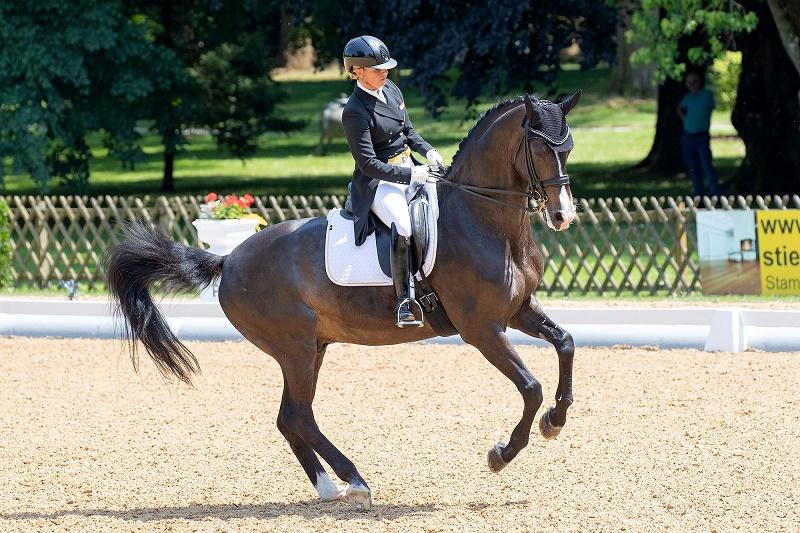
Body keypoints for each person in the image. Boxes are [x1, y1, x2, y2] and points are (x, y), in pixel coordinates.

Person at [341, 35, 444, 328]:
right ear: (357, 71)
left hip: (410, 166)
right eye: (377, 69)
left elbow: (408, 131)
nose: (385, 73)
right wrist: (412, 174)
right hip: (379, 182)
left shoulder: (392, 90)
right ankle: (405, 300)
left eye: (386, 68)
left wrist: (428, 151)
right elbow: (368, 164)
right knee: (403, 224)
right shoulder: (354, 111)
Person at [676, 71, 722, 197]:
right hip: (688, 136)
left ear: (699, 82)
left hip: (702, 136)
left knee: (706, 165)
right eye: (689, 83)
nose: (692, 85)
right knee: (693, 167)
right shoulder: (687, 97)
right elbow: (679, 107)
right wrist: (684, 118)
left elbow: (710, 107)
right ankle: (699, 194)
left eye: (694, 82)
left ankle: (716, 194)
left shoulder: (706, 95)